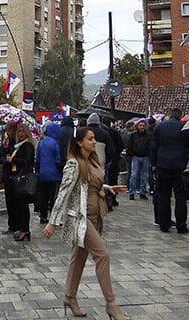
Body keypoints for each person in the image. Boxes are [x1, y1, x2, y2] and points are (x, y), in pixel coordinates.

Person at [43, 127, 130, 320]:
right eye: (90, 139)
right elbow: (63, 194)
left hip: (95, 215)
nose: (94, 142)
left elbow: (90, 185)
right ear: (80, 142)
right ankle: (111, 304)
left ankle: (69, 297)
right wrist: (52, 223)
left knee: (79, 258)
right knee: (102, 255)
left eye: (94, 139)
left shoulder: (92, 160)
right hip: (80, 218)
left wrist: (108, 188)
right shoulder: (74, 164)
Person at [149, 108, 189, 233]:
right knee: (180, 195)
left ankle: (164, 223)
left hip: (163, 164)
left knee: (164, 194)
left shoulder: (160, 127)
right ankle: (181, 224)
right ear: (180, 116)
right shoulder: (184, 127)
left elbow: (153, 147)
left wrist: (154, 162)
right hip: (180, 164)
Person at [8, 123, 36, 241]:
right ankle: (23, 229)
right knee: (19, 206)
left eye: (22, 131)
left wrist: (13, 160)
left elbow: (27, 161)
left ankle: (25, 230)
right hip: (17, 177)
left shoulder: (27, 145)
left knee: (23, 206)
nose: (20, 134)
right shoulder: (17, 146)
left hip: (23, 178)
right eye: (18, 131)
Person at [36, 121, 63, 224]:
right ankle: (53, 216)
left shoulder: (41, 142)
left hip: (43, 173)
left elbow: (37, 158)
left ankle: (43, 216)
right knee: (53, 196)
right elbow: (57, 159)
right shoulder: (55, 143)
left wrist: (38, 170)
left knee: (43, 195)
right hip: (54, 174)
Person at [126, 118, 152, 200]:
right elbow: (129, 145)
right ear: (137, 126)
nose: (142, 127)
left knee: (144, 175)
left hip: (145, 157)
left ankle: (142, 192)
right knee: (134, 175)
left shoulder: (149, 135)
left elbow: (151, 146)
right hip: (136, 157)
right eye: (140, 125)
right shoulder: (133, 135)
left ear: (146, 126)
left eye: (143, 126)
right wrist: (131, 153)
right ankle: (132, 192)